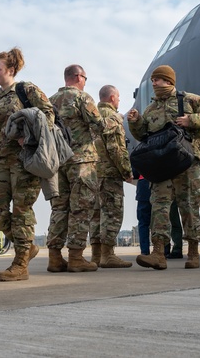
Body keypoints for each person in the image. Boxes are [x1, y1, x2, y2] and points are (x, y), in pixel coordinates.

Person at [0, 47, 52, 281]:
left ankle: (20, 263)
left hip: (27, 156)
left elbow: (48, 115)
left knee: (22, 208)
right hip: (3, 156)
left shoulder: (26, 90)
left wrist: (30, 135)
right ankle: (27, 245)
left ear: (11, 70)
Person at [128, 65, 200, 270]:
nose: (154, 83)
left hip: (186, 161)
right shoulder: (150, 109)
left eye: (157, 79)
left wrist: (192, 120)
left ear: (168, 81)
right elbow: (143, 135)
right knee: (159, 205)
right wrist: (136, 122)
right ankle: (158, 253)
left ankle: (193, 253)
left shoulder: (189, 100)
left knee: (188, 205)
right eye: (152, 80)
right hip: (161, 164)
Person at [46, 65, 104, 273]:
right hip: (81, 161)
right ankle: (76, 257)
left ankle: (54, 257)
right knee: (81, 208)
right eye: (85, 78)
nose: (85, 82)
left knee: (59, 208)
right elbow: (98, 125)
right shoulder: (83, 98)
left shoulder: (50, 100)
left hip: (58, 162)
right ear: (78, 77)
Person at [90, 85, 133, 268]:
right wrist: (126, 171)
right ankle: (108, 255)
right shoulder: (113, 118)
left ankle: (96, 255)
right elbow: (116, 149)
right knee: (112, 213)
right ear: (113, 98)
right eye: (118, 98)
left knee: (96, 215)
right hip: (109, 174)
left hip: (92, 174)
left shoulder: (91, 116)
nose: (119, 101)